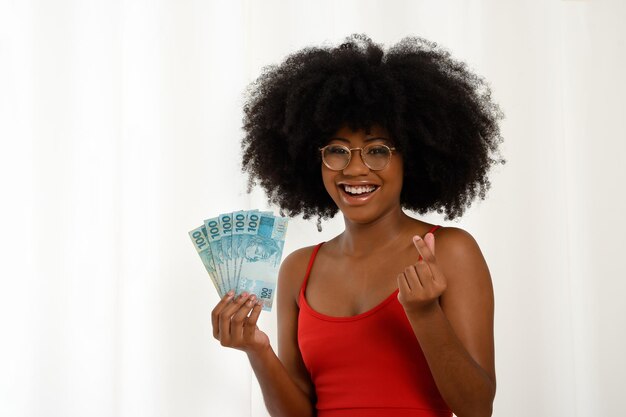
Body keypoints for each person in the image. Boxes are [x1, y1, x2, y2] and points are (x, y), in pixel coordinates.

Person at [211, 34, 504, 417]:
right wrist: (257, 350)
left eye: (377, 150)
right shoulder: (299, 270)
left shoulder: (450, 250)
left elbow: (477, 408)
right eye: (336, 150)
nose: (354, 168)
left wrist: (425, 313)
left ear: (410, 158)